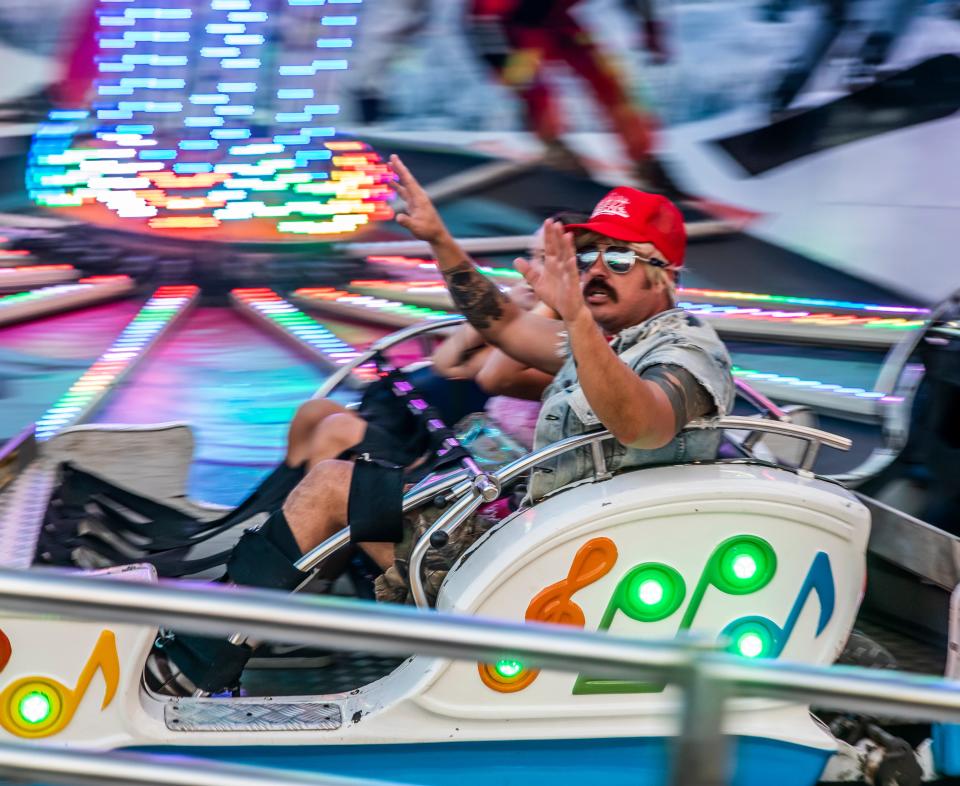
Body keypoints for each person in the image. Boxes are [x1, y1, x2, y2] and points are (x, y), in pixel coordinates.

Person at [148, 155, 733, 695]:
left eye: (623, 258)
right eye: (588, 257)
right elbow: (500, 322)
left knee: (334, 483)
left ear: (666, 275)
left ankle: (195, 663)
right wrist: (438, 237)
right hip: (525, 538)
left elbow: (644, 424)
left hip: (564, 572)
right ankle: (226, 642)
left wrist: (576, 317)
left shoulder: (685, 351)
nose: (598, 270)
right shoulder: (608, 344)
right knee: (336, 473)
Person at [466, 0, 671, 185]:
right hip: (504, 25)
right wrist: (502, 65)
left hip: (553, 19)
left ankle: (645, 160)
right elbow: (483, 20)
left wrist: (651, 30)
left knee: (610, 78)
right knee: (535, 88)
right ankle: (555, 149)